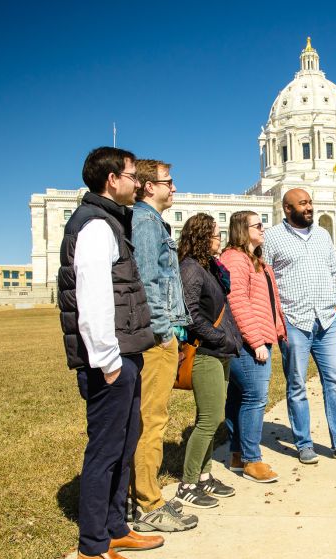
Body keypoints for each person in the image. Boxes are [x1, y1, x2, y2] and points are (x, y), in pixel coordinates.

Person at [58, 146, 163, 559]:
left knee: (124, 442)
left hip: (125, 351)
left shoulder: (111, 222)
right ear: (111, 180)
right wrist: (106, 358)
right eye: (132, 176)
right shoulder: (96, 226)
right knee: (104, 451)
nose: (138, 183)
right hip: (111, 358)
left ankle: (116, 527)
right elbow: (92, 295)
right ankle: (93, 547)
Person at [262, 188, 336, 464]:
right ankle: (304, 444)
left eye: (310, 202)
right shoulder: (272, 237)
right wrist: (278, 315)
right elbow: (265, 277)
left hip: (328, 319)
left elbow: (334, 270)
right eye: (303, 203)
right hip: (294, 320)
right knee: (296, 384)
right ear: (287, 208)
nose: (309, 207)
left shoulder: (323, 234)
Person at [128, 159, 198, 532]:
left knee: (151, 417)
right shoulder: (144, 222)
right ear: (147, 186)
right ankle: (148, 503)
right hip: (156, 337)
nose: (173, 188)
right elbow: (146, 279)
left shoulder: (153, 223)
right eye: (168, 182)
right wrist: (164, 330)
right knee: (151, 420)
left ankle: (141, 496)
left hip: (162, 332)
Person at [174, 213, 243, 508]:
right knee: (209, 420)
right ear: (202, 237)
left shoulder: (210, 268)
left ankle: (204, 476)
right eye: (216, 235)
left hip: (219, 351)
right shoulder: (190, 268)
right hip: (204, 352)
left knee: (212, 420)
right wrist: (219, 338)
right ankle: (188, 483)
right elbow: (190, 314)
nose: (220, 240)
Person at [221, 211, 287, 483]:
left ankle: (237, 454)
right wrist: (257, 341)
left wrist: (279, 329)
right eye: (258, 225)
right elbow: (237, 303)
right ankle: (251, 459)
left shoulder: (255, 260)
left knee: (239, 397)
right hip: (247, 342)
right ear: (242, 229)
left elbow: (270, 300)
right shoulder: (235, 259)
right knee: (255, 398)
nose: (263, 229)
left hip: (258, 337)